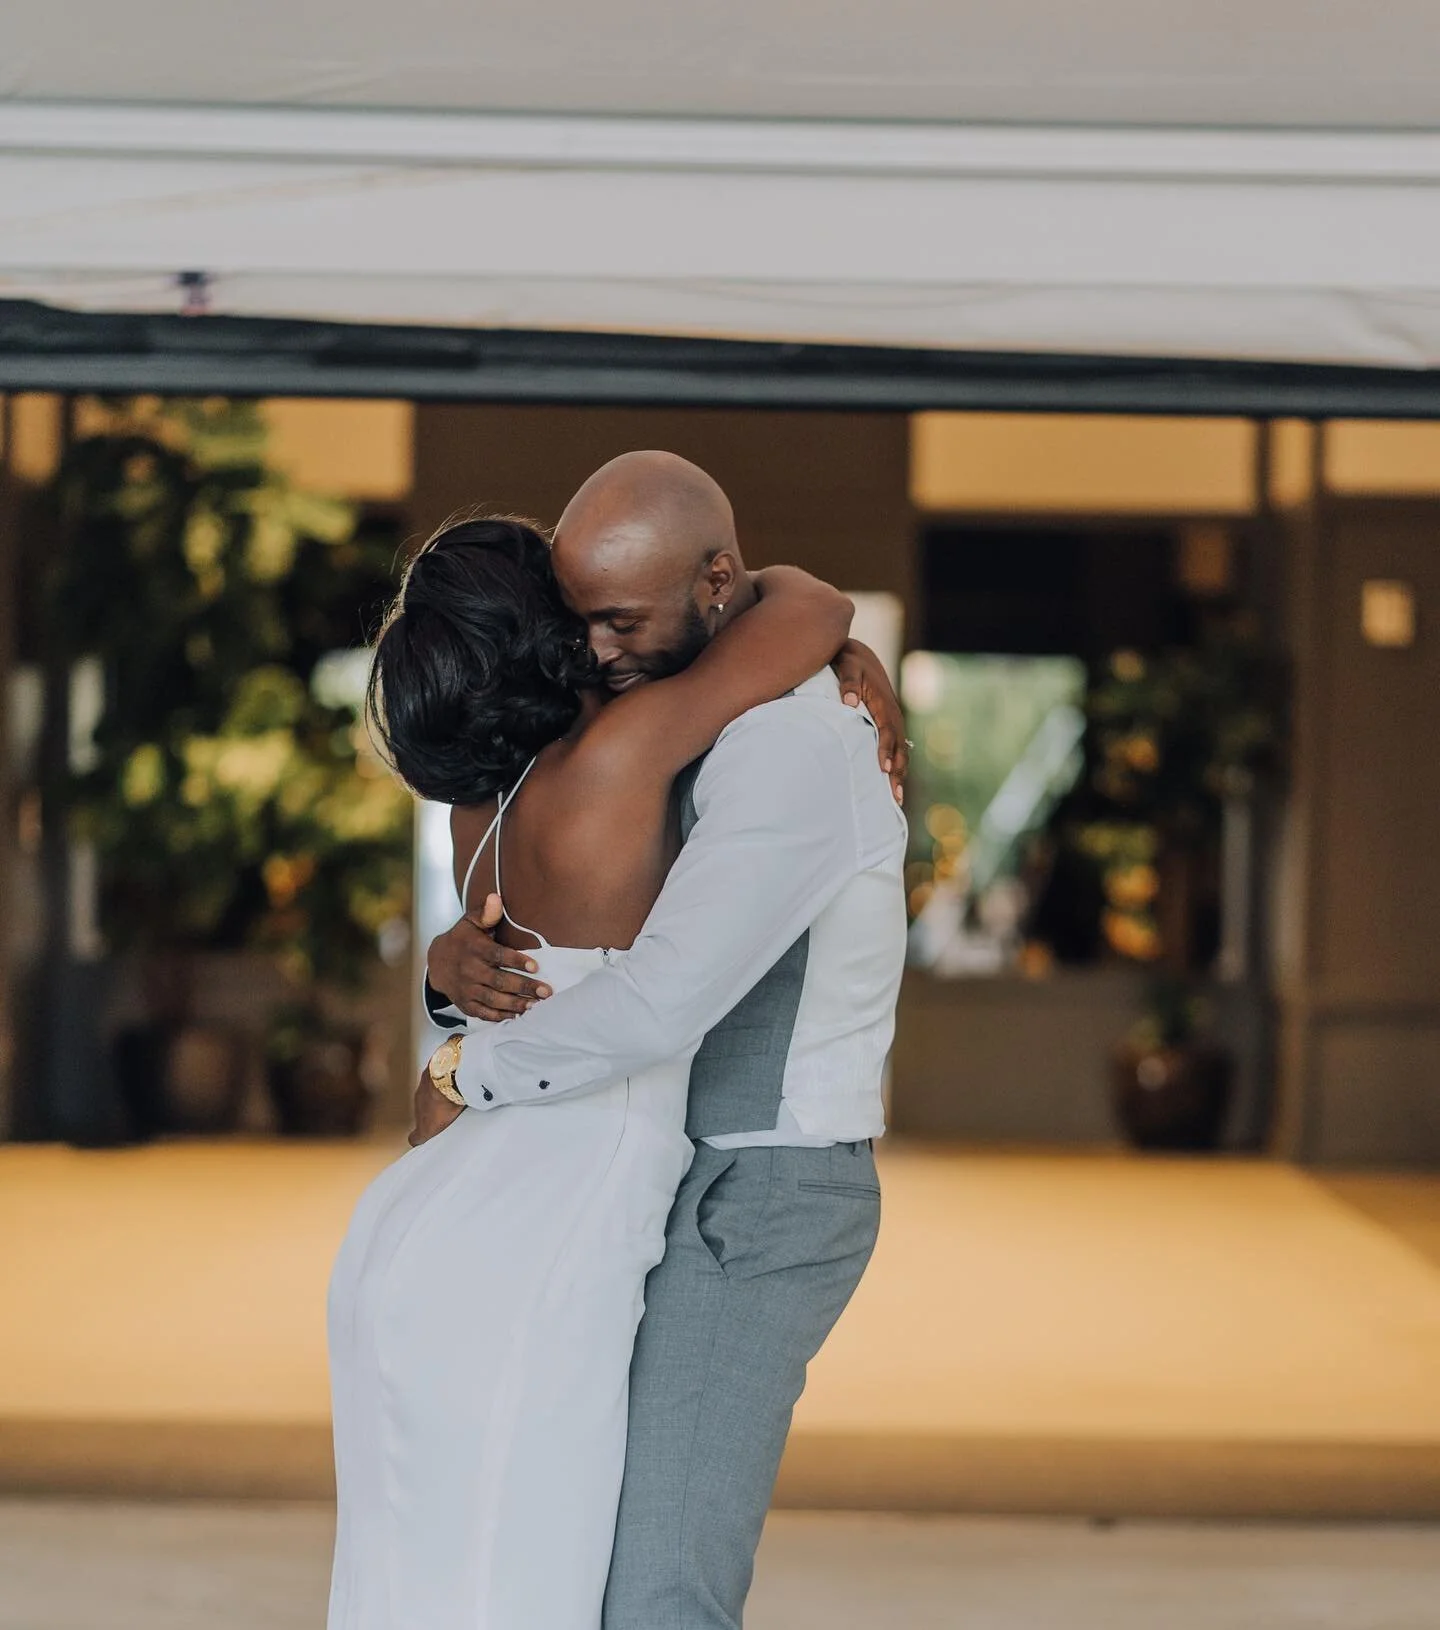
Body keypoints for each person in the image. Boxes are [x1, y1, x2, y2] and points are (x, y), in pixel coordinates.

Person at [326, 480, 890, 1630]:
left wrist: (453, 1044)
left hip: (500, 1200)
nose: (597, 645)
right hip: (557, 1204)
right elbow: (799, 605)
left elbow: (609, 992)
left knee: (472, 1560)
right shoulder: (630, 745)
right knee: (550, 1567)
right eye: (577, 620)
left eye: (617, 620)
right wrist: (836, 626)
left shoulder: (509, 789)